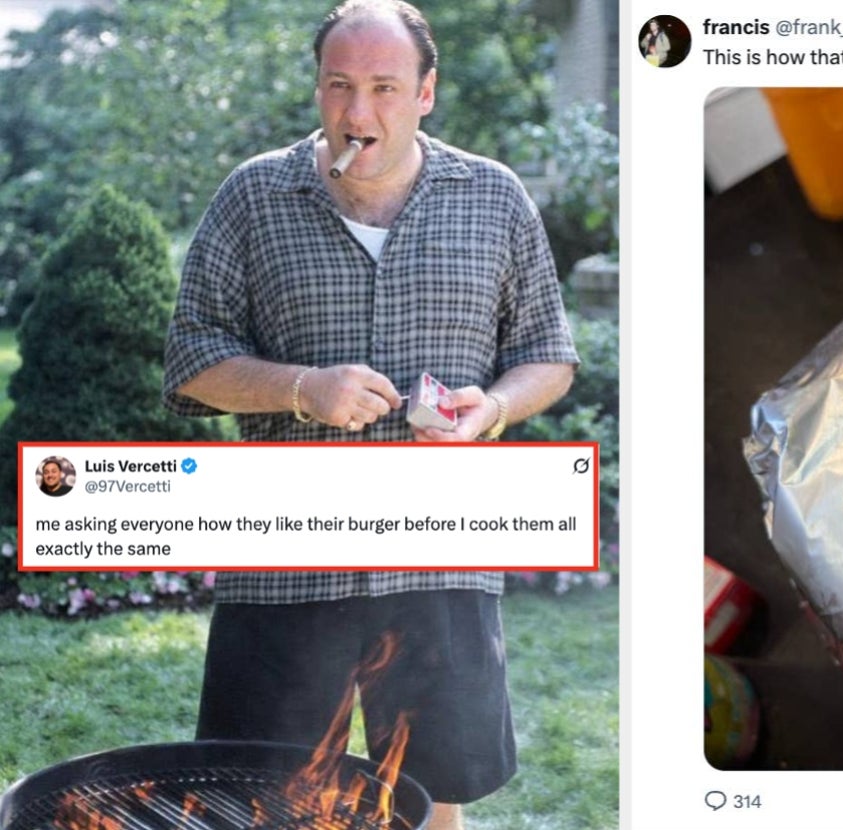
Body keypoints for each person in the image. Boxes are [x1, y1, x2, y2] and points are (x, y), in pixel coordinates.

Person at [161, 2, 579, 828]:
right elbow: (191, 360)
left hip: (441, 559)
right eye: (339, 85)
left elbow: (550, 356)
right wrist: (301, 388)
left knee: (433, 797)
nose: (358, 111)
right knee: (266, 803)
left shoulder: (494, 197)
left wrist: (493, 407)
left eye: (384, 87)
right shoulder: (253, 196)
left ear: (426, 93)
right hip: (285, 560)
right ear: (318, 88)